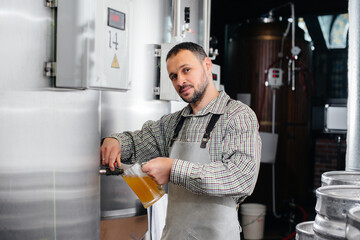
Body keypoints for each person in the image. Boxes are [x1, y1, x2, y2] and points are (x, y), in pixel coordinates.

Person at [100, 42, 261, 240]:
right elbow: (136, 143)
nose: (180, 81)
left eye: (186, 70)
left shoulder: (237, 115)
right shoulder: (173, 123)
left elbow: (240, 178)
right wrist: (115, 141)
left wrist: (173, 169)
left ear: (207, 66)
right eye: (173, 76)